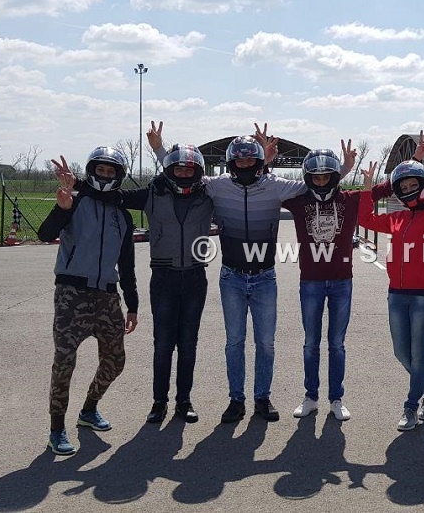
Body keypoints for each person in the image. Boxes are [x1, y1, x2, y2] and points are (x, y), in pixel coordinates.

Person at [147, 122, 352, 423]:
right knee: (234, 342)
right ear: (231, 163)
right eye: (239, 160)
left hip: (265, 277)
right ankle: (236, 400)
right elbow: (184, 169)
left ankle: (262, 399)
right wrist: (159, 150)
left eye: (250, 160)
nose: (244, 165)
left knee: (265, 344)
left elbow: (317, 182)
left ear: (258, 162)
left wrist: (344, 169)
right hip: (231, 276)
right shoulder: (217, 186)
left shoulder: (276, 186)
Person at [37, 148, 139, 456]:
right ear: (92, 171)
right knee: (65, 360)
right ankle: (57, 428)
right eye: (100, 170)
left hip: (107, 296)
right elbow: (45, 234)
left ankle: (89, 409)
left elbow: (127, 266)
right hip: (72, 294)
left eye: (111, 172)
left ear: (119, 176)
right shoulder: (76, 201)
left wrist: (132, 305)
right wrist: (61, 209)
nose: (105, 176)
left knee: (115, 361)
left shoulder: (123, 216)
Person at [359, 139, 424, 432]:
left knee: (419, 354)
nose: (408, 188)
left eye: (413, 183)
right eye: (403, 185)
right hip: (397, 295)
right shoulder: (397, 218)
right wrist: (367, 188)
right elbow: (365, 218)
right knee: (401, 352)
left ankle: (411, 406)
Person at [117, 144, 214, 425]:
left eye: (189, 169)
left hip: (195, 277)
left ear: (197, 172)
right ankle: (159, 402)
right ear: (169, 170)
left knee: (188, 344)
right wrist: (77, 186)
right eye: (178, 169)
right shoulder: (153, 193)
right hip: (163, 278)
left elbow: (244, 188)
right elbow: (114, 195)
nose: (183, 173)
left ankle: (184, 401)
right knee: (162, 345)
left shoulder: (209, 195)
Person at [281, 142, 359, 421]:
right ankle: (311, 397)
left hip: (341, 282)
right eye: (316, 177)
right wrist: (264, 161)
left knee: (337, 344)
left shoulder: (349, 200)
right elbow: (265, 188)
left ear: (335, 177)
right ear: (308, 178)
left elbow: (389, 188)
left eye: (327, 176)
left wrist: (415, 160)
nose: (322, 181)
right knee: (311, 342)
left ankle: (336, 398)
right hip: (311, 282)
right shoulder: (299, 202)